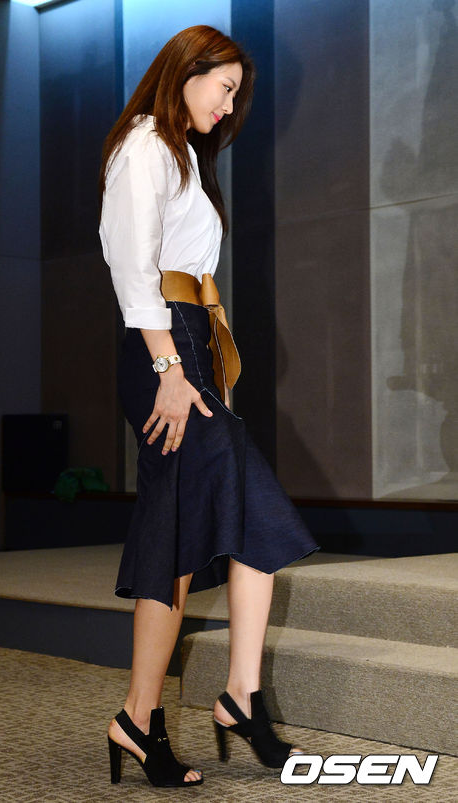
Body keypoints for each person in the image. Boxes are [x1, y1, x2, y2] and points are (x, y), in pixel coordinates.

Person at [98, 24, 320, 789]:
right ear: (188, 70)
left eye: (235, 96)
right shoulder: (144, 145)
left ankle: (149, 715)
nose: (228, 107)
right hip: (162, 345)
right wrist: (168, 366)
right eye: (225, 88)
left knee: (184, 536)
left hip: (190, 345)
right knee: (240, 512)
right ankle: (231, 698)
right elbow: (134, 268)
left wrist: (211, 378)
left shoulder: (186, 154)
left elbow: (194, 279)